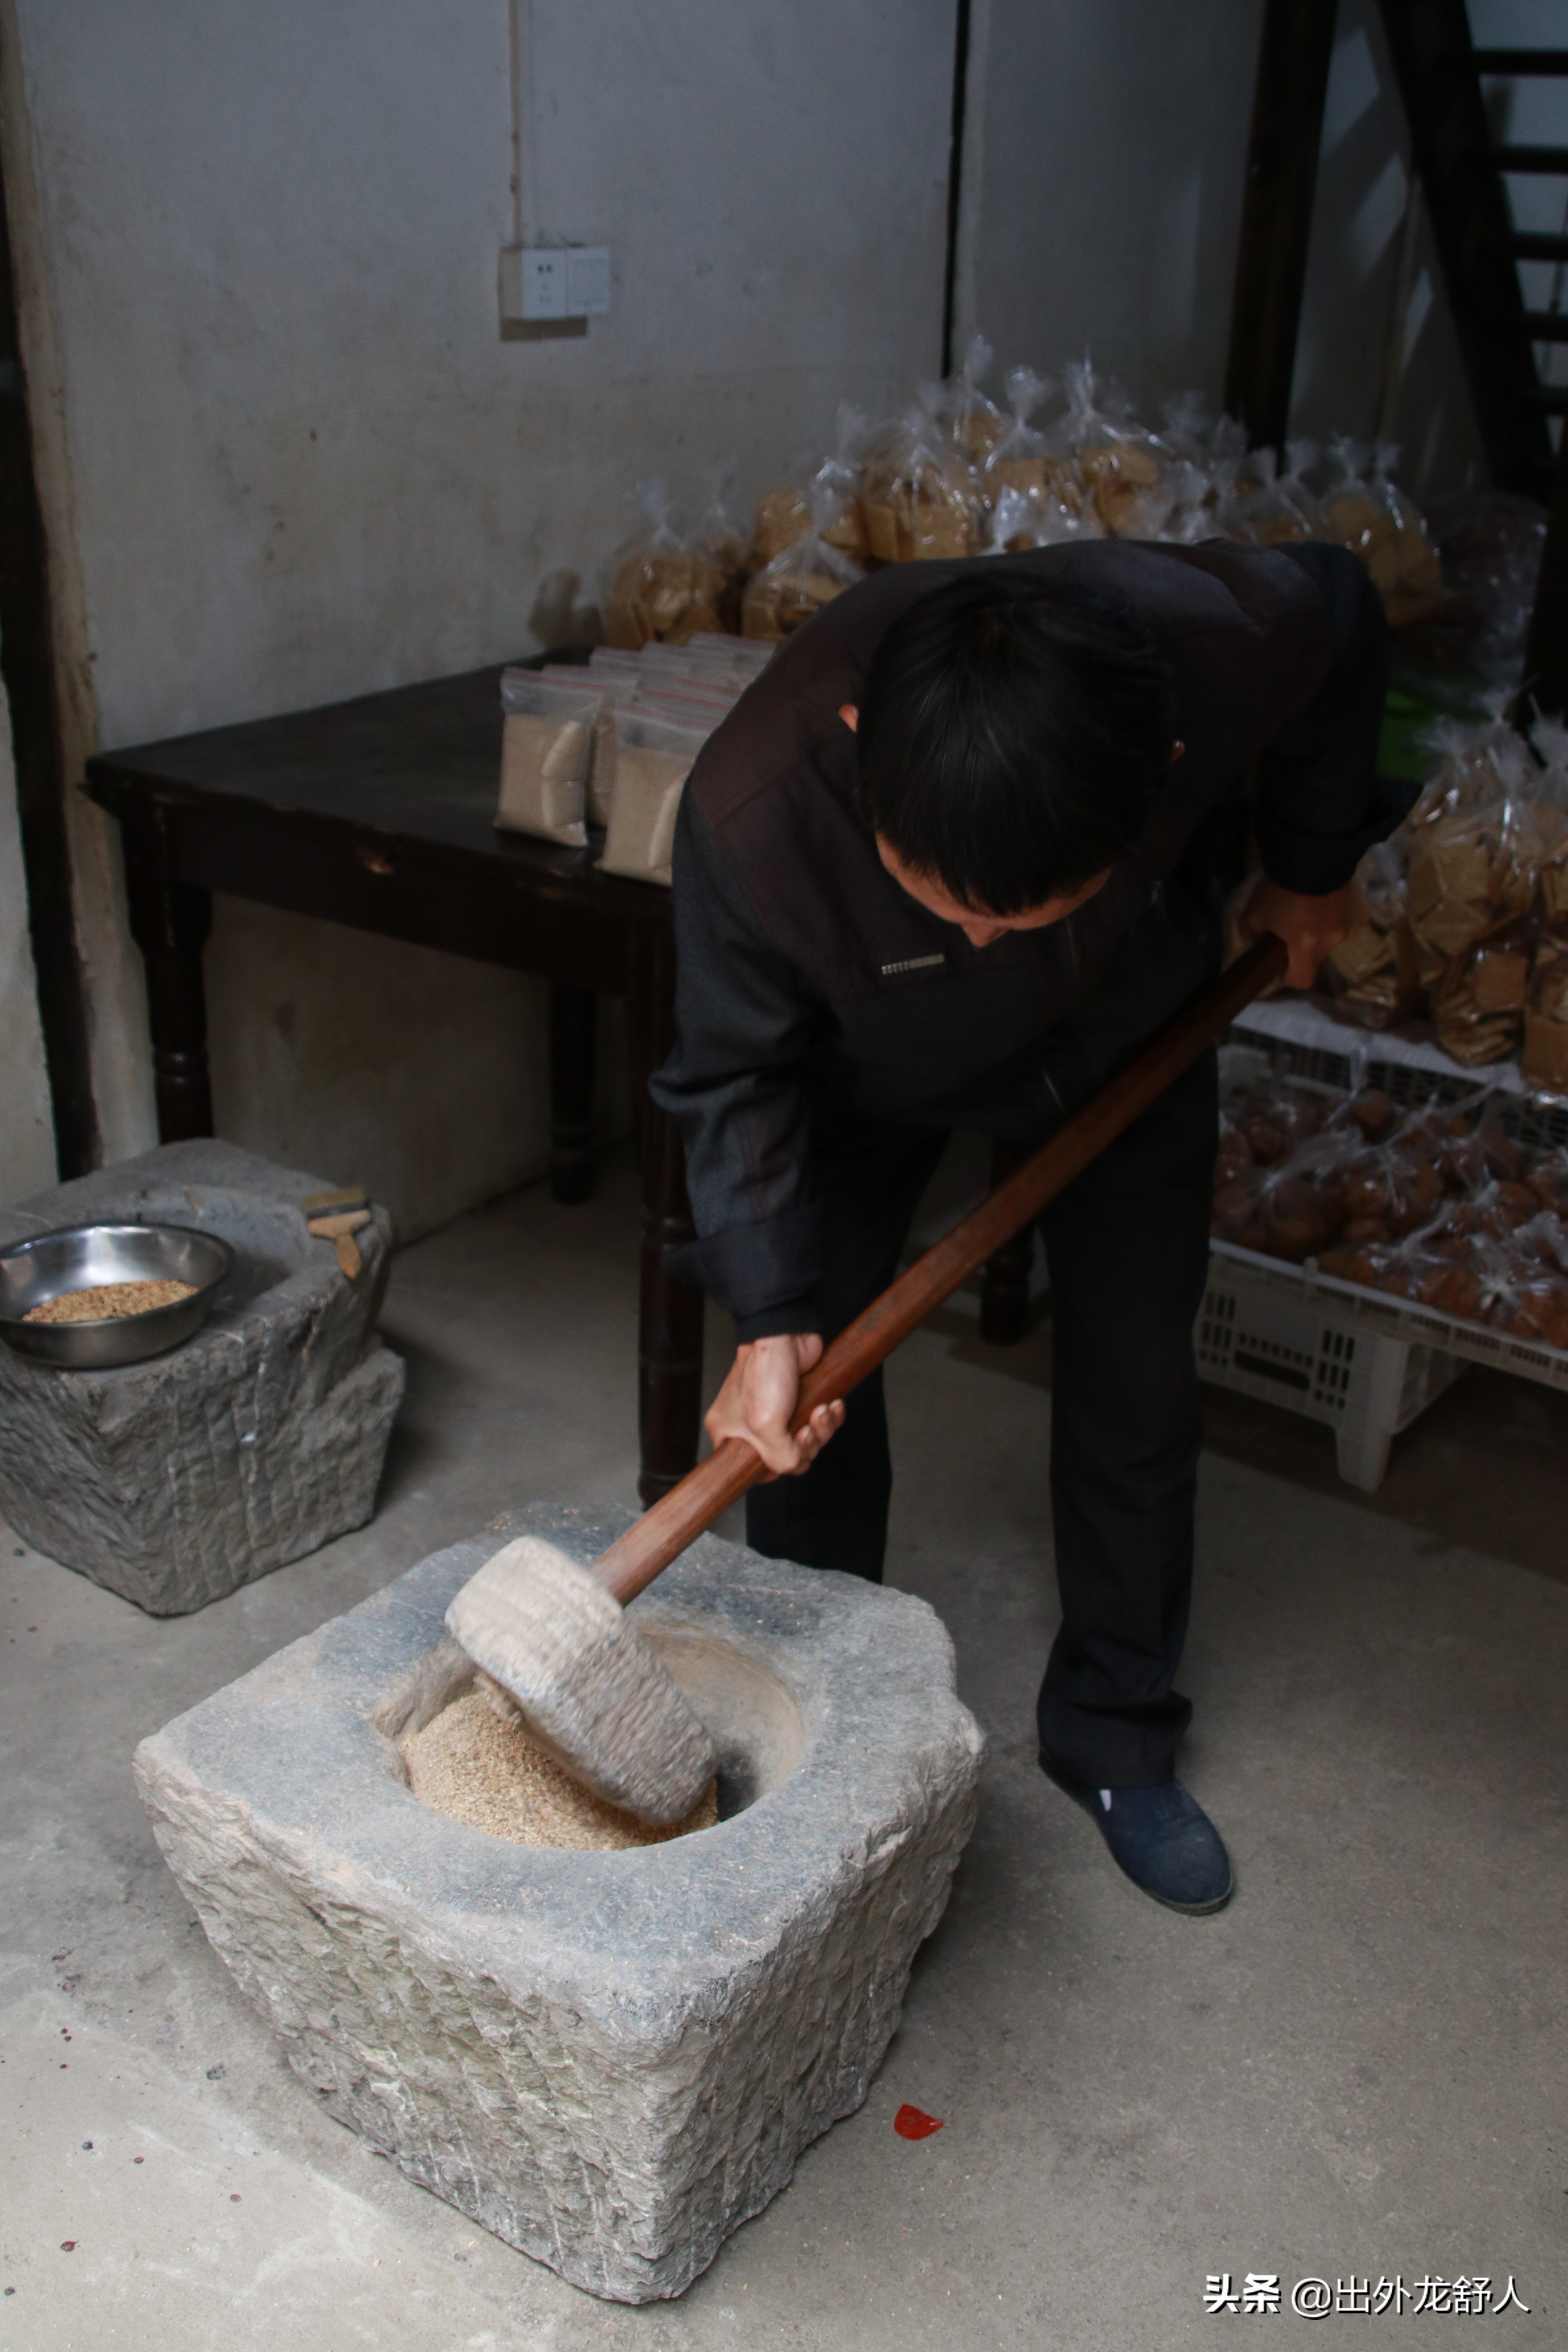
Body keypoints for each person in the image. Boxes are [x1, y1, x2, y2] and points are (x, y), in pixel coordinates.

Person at [650, 539, 1394, 1915]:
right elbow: (730, 1074)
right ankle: (826, 1721)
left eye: (1022, 912)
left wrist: (1310, 860)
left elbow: (1345, 613)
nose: (985, 942)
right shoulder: (755, 809)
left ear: (1163, 766)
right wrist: (768, 1314)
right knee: (810, 1389)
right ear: (863, 740)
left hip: (1122, 1033)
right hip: (857, 1069)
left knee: (1137, 1380)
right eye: (947, 902)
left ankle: (1116, 1733)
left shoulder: (1209, 645)